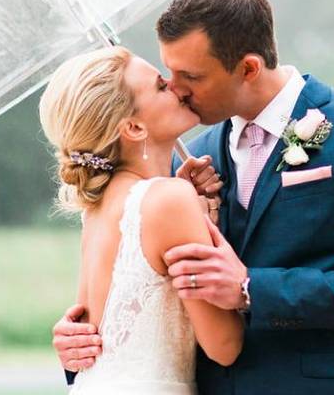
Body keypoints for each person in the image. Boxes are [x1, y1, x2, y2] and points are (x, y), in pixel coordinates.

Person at [53, 0, 334, 394]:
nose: (176, 89)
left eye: (190, 76)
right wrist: (85, 346)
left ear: (248, 67)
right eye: (168, 74)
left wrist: (252, 289)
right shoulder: (193, 157)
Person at [39, 46, 243, 393]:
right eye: (161, 87)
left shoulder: (99, 208)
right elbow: (224, 347)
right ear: (133, 127)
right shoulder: (169, 200)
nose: (176, 87)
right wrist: (243, 284)